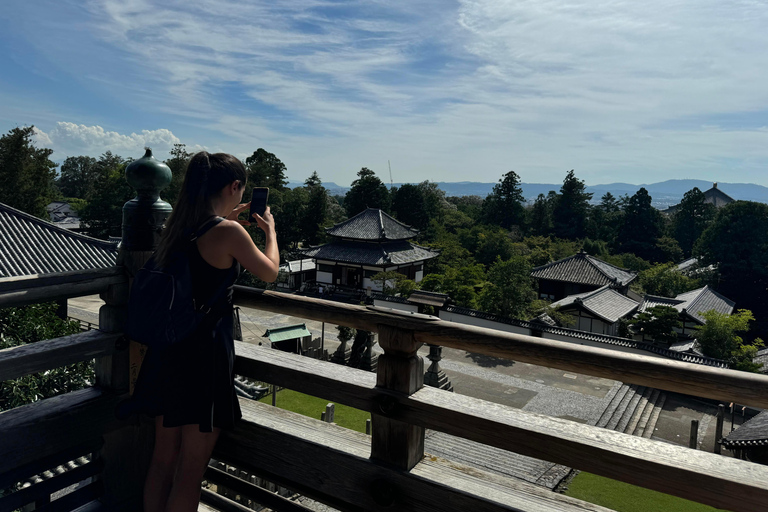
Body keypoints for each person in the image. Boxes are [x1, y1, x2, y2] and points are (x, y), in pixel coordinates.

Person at [130, 152, 279, 512]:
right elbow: (270, 272)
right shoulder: (228, 232)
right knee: (191, 471)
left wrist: (226, 221)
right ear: (233, 187)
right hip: (203, 357)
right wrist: (269, 232)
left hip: (168, 352)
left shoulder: (179, 226)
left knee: (163, 459)